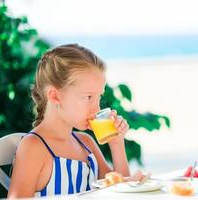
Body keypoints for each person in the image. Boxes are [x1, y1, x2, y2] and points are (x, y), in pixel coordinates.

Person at [8, 44, 130, 198]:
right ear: (55, 96)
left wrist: (117, 144)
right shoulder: (34, 147)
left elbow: (122, 194)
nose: (97, 107)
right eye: (88, 97)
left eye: (99, 97)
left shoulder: (86, 143)